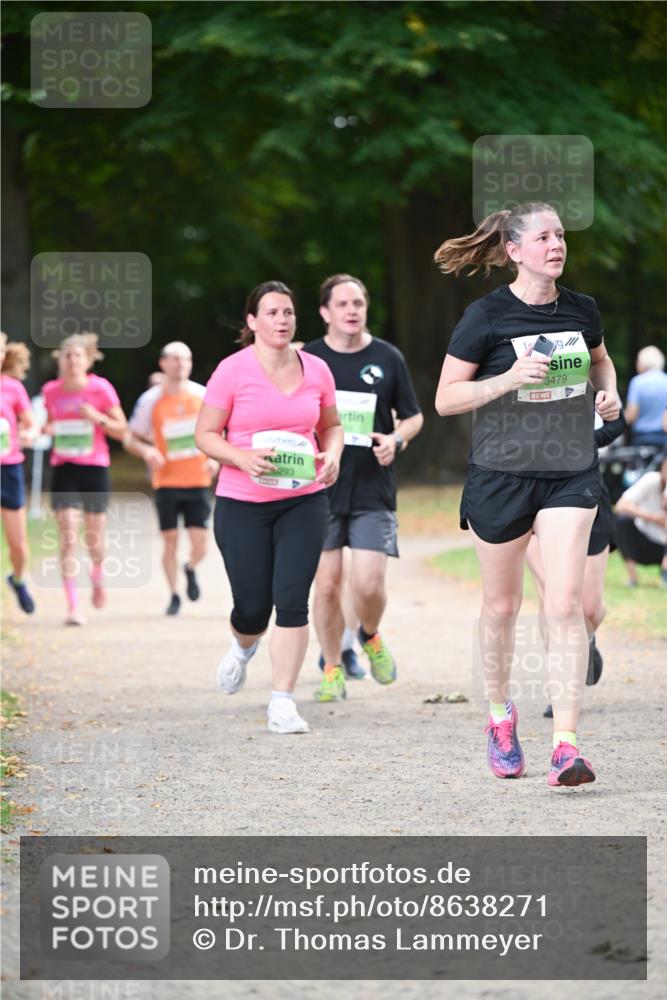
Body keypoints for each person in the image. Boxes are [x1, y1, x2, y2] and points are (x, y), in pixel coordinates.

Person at [434, 201, 620, 788]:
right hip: (500, 474)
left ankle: (565, 745)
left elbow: (601, 364)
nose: (557, 245)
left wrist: (606, 396)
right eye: (543, 237)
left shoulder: (582, 310)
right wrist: (509, 379)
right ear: (514, 251)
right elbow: (445, 399)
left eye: (561, 235)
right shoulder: (485, 317)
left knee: (565, 605)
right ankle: (499, 716)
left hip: (569, 469)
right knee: (502, 608)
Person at [195, 280, 343, 734]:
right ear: (252, 322)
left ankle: (282, 701)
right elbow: (205, 435)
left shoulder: (317, 369)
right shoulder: (232, 371)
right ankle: (243, 647)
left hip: (303, 501)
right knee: (253, 608)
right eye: (273, 313)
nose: (282, 320)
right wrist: (240, 458)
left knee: (292, 600)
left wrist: (333, 454)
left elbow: (331, 425)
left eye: (288, 313)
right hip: (243, 503)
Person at [303, 274, 423, 703]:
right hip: (319, 489)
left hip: (374, 488)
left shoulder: (387, 357)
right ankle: (332, 665)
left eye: (358, 303)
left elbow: (412, 416)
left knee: (368, 585)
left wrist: (396, 439)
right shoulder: (307, 359)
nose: (352, 311)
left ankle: (369, 635)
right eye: (342, 304)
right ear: (325, 312)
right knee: (328, 584)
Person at [528, 412, 627, 717]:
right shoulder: (512, 369)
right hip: (527, 492)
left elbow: (617, 423)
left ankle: (587, 638)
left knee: (589, 608)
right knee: (555, 600)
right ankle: (560, 690)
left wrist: (576, 444)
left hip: (584, 491)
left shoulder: (584, 368)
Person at [124, 342, 216, 615]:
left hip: (198, 480)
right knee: (170, 540)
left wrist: (214, 457)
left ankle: (190, 567)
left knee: (201, 544)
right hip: (166, 481)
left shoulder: (204, 395)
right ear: (163, 363)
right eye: (175, 359)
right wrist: (147, 450)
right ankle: (174, 594)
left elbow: (221, 430)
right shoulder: (150, 400)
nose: (180, 364)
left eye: (185, 359)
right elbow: (131, 436)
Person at [41, 334, 127, 625]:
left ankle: (97, 575)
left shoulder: (101, 389)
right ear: (60, 360)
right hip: (64, 468)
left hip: (94, 468)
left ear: (88, 360)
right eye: (67, 355)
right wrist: (48, 430)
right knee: (67, 536)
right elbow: (45, 427)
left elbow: (121, 429)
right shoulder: (51, 391)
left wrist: (97, 418)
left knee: (94, 540)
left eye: (78, 355)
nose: (72, 360)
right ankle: (73, 606)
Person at [1, 333, 37, 613]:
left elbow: (31, 424)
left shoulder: (12, 388)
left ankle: (18, 578)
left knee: (19, 546)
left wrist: (29, 433)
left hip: (8, 468)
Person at [614, 458, 667, 586]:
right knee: (622, 522)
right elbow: (621, 505)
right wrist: (652, 518)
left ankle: (665, 573)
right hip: (645, 541)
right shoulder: (651, 480)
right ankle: (633, 578)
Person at [625, 346, 667, 448]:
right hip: (663, 438)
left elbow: (631, 415)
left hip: (642, 438)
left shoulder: (637, 382)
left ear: (643, 363)